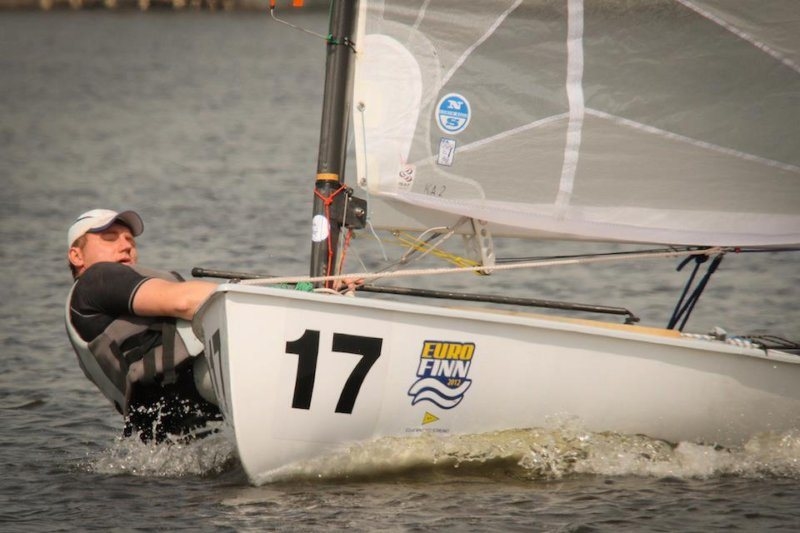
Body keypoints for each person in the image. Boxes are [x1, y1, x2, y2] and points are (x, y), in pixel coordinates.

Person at [65, 208, 222, 443]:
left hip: (167, 426)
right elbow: (185, 302)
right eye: (110, 238)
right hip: (196, 387)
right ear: (77, 256)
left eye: (130, 240)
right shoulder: (98, 279)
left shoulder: (86, 308)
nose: (126, 246)